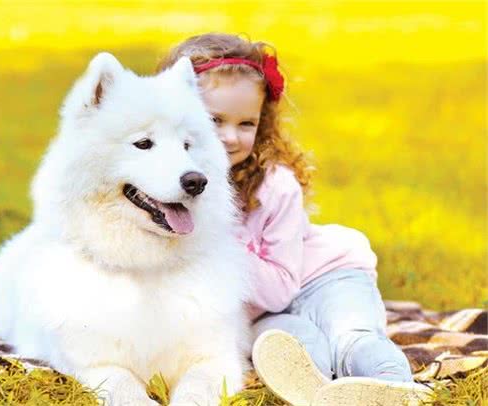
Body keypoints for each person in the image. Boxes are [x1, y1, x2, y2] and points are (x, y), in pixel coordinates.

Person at [156, 33, 431, 405]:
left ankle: (394, 387)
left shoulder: (276, 185)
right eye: (214, 120)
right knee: (290, 348)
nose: (230, 137)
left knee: (352, 335)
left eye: (246, 124)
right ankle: (326, 393)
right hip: (261, 313)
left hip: (324, 278)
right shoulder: (168, 189)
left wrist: (212, 242)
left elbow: (280, 288)